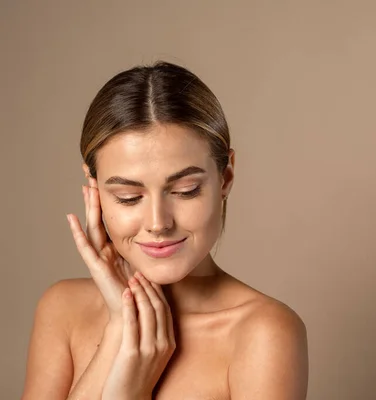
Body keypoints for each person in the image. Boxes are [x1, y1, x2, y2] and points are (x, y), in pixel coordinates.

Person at [21, 61, 309, 399]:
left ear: (225, 177)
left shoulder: (263, 332)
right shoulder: (62, 309)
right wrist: (119, 329)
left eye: (185, 190)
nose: (158, 223)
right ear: (95, 189)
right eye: (128, 197)